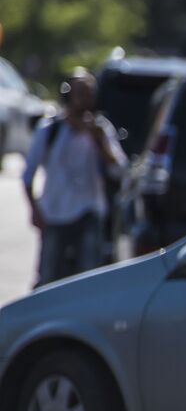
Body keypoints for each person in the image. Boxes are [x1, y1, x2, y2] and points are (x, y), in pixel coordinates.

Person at [22, 68, 127, 287]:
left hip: (89, 211)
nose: (85, 98)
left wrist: (99, 142)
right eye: (81, 92)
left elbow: (120, 170)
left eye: (89, 93)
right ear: (68, 95)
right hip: (55, 212)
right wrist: (34, 209)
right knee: (49, 277)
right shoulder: (50, 129)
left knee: (86, 278)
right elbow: (27, 174)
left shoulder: (100, 130)